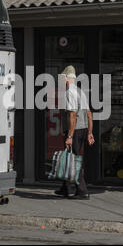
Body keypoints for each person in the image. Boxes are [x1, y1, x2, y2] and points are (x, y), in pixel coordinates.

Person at [54, 65, 95, 199]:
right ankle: (65, 188)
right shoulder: (80, 92)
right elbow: (89, 114)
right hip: (83, 130)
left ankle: (82, 191)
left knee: (74, 160)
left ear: (66, 78)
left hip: (75, 131)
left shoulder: (69, 92)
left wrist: (70, 136)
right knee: (69, 158)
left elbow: (72, 115)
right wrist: (90, 132)